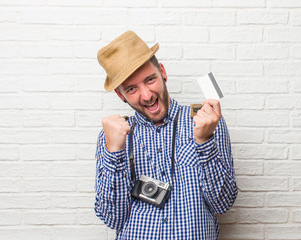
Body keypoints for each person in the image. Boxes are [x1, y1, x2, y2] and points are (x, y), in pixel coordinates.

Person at [94, 30, 238, 239]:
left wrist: (204, 141)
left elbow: (222, 204)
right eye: (132, 88)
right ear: (120, 94)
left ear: (163, 72)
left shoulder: (207, 121)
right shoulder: (112, 137)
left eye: (150, 79)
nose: (146, 95)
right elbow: (112, 219)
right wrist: (114, 152)